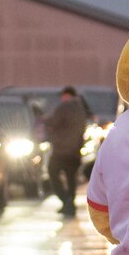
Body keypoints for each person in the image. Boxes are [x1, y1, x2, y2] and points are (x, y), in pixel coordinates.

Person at [42, 87, 89, 216]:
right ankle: (69, 204)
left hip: (61, 150)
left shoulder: (64, 108)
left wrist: (45, 119)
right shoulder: (81, 109)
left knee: (53, 172)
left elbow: (54, 122)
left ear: (67, 95)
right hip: (75, 151)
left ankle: (65, 200)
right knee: (71, 178)